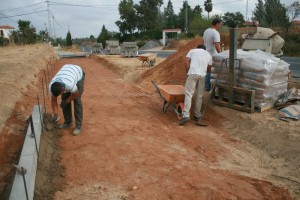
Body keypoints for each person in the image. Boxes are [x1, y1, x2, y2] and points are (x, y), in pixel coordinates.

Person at [179, 44, 212, 125]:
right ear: (204, 49)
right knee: (199, 95)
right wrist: (203, 72)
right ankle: (197, 115)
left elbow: (186, 62)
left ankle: (186, 115)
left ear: (198, 48)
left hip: (193, 73)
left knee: (189, 94)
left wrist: (188, 73)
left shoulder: (192, 51)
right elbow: (209, 68)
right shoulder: (208, 55)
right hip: (202, 75)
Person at [49, 64, 85, 136]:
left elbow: (75, 94)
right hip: (66, 72)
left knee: (77, 100)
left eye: (61, 92)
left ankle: (78, 126)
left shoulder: (70, 84)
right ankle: (68, 122)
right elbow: (54, 101)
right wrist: (55, 114)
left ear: (63, 89)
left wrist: (66, 102)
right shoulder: (51, 87)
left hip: (78, 74)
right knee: (64, 98)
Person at [203, 18, 222, 91]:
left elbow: (203, 42)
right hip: (212, 55)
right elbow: (217, 44)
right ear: (217, 24)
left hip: (205, 53)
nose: (220, 26)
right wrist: (221, 54)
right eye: (220, 24)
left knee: (206, 70)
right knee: (210, 71)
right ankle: (208, 88)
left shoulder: (206, 31)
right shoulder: (215, 32)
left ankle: (206, 86)